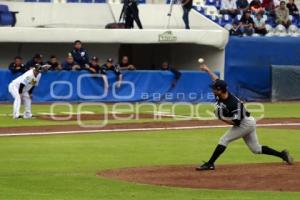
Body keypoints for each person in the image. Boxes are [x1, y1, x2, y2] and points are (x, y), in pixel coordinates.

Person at [196, 64, 294, 171]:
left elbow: (236, 123)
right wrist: (207, 70)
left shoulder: (234, 104)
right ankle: (282, 155)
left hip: (244, 124)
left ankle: (210, 164)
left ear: (220, 90)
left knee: (224, 140)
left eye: (214, 89)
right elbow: (216, 79)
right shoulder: (222, 93)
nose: (212, 90)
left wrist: (221, 118)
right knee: (256, 149)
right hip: (247, 122)